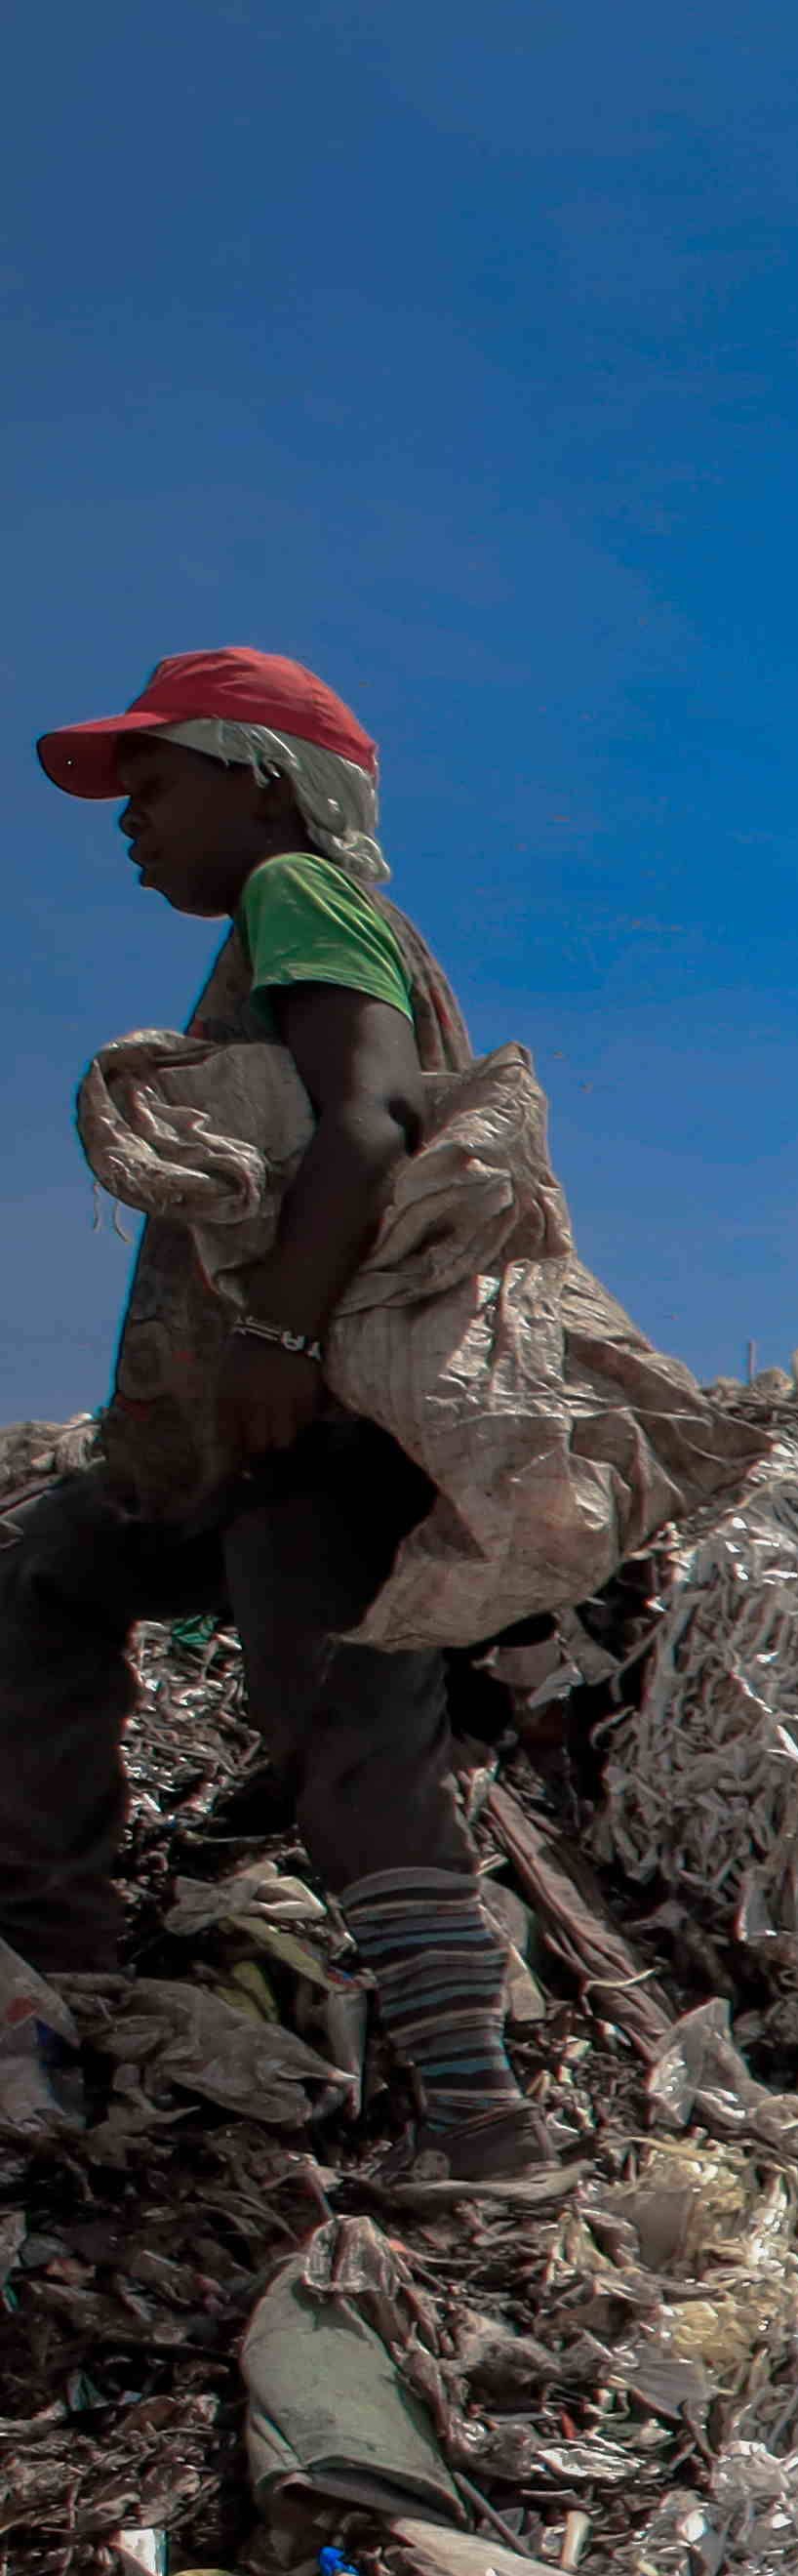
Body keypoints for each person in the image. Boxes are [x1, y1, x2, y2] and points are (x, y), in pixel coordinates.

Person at [2, 647, 542, 2188]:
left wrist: (276, 1330)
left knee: (353, 1739)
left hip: (316, 1407)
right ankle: (63, 1962)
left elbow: (368, 1115)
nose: (129, 817)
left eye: (154, 780)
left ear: (260, 775)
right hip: (262, 1417)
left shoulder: (300, 895)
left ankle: (481, 2118)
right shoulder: (289, 918)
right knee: (52, 1568)